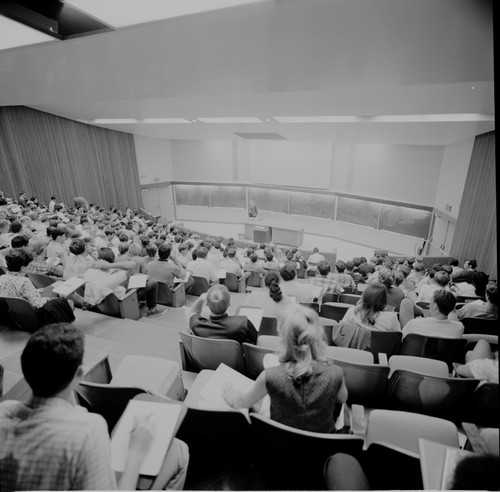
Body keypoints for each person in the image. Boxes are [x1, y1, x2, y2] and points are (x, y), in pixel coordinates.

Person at [0, 323, 189, 491]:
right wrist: (136, 452)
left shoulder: (4, 412)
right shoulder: (89, 429)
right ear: (79, 373)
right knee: (179, 450)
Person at [222, 304, 348, 433]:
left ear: (284, 338)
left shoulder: (270, 376)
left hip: (279, 446)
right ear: (318, 336)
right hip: (322, 449)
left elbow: (241, 403)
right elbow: (343, 399)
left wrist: (233, 397)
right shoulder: (336, 373)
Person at [187, 284, 258, 344]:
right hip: (235, 360)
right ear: (229, 304)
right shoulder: (243, 323)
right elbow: (256, 341)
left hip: (206, 360)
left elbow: (193, 312)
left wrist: (201, 298)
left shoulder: (197, 324)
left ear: (207, 304)